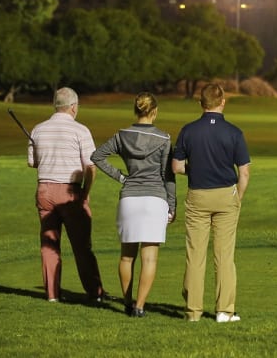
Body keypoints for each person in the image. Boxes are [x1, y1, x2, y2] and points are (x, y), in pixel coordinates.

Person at [91, 92, 176, 318]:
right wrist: (172, 205)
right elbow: (168, 175)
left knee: (127, 257)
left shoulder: (122, 136)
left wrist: (121, 177)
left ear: (136, 110)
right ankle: (139, 306)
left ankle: (128, 304)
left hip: (129, 199)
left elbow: (97, 156)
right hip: (155, 200)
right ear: (154, 111)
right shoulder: (164, 139)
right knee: (149, 258)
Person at [172, 83, 251, 323]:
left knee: (195, 255)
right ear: (223, 102)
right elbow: (244, 172)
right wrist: (238, 197)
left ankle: (193, 312)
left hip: (198, 195)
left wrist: (195, 168)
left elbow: (176, 167)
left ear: (201, 103)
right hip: (226, 196)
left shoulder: (188, 131)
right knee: (224, 256)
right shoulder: (234, 132)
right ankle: (224, 312)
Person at [27, 87, 106, 302]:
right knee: (81, 246)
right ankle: (95, 293)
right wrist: (86, 192)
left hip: (45, 191)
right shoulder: (81, 130)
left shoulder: (38, 129)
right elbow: (91, 167)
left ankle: (52, 294)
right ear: (73, 107)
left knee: (49, 244)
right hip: (70, 192)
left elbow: (33, 162)